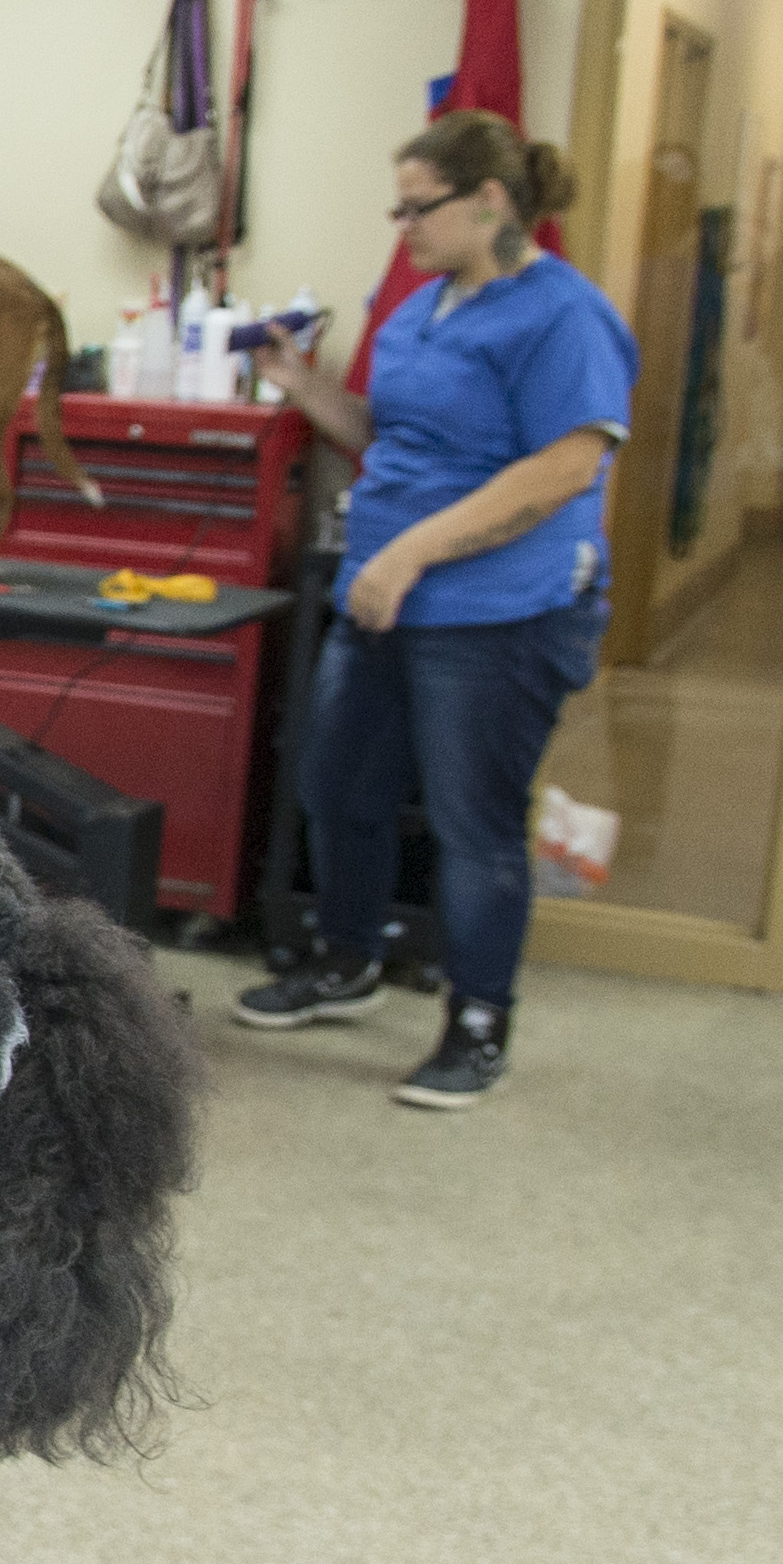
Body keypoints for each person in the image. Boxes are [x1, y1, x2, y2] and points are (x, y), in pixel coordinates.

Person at [236, 110, 637, 1109]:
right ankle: (348, 959)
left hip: (497, 611)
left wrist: (412, 553)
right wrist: (297, 384)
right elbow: (392, 435)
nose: (402, 225)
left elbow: (565, 467)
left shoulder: (564, 315)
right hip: (385, 598)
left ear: (490, 201)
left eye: (418, 207)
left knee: (474, 822)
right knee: (339, 786)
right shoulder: (422, 309)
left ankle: (478, 1022)